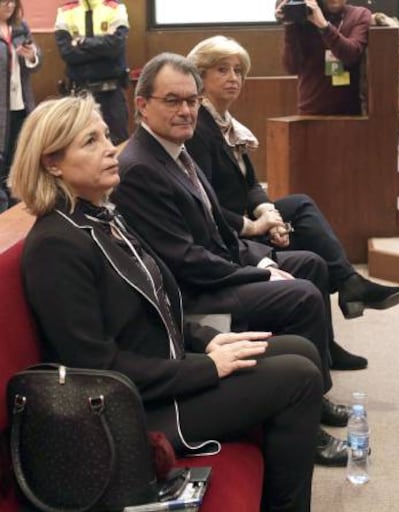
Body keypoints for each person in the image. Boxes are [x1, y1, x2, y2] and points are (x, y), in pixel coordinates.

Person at [9, 94, 324, 512]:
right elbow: (98, 370)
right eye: (89, 142)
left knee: (300, 349)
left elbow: (160, 305)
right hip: (135, 407)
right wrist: (205, 367)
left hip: (165, 370)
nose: (110, 147)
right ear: (52, 163)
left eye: (105, 135)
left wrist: (207, 340)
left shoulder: (103, 217)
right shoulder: (56, 245)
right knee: (298, 376)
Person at [112, 52, 351, 467]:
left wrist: (260, 263)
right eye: (173, 100)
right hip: (194, 295)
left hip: (214, 269)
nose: (186, 110)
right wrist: (256, 273)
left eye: (191, 100)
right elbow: (184, 260)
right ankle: (307, 426)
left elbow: (219, 232)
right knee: (302, 295)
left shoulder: (178, 150)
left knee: (309, 264)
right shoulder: (140, 168)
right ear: (142, 104)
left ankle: (316, 393)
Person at [185, 35, 399, 370]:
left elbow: (251, 185)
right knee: (309, 247)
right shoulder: (197, 128)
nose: (234, 77)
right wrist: (254, 225)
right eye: (222, 70)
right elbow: (205, 205)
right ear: (200, 77)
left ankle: (344, 298)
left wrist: (269, 212)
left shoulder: (226, 124)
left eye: (239, 71)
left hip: (245, 218)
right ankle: (349, 288)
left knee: (299, 207)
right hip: (226, 231)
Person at [275, 0, 372, 115]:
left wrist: (323, 25)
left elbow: (351, 55)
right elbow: (292, 67)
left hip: (350, 114)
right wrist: (290, 22)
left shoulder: (359, 15)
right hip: (310, 112)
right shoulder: (305, 16)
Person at [54, 0, 130, 145]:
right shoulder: (65, 11)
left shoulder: (116, 8)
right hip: (78, 95)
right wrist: (101, 48)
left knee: (118, 149)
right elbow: (68, 53)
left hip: (111, 96)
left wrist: (82, 43)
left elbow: (114, 47)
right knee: (79, 146)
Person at [0, 0, 40, 212]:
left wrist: (32, 55)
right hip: (1, 111)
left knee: (19, 163)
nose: (9, 6)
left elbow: (37, 61)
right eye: (4, 2)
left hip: (22, 106)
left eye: (13, 2)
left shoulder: (20, 27)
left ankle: (17, 212)